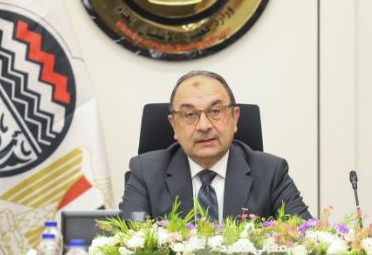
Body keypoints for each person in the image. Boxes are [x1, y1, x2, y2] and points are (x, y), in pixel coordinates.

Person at [119, 70, 311, 221]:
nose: (204, 126)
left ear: (235, 117)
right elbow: (129, 244)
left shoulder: (271, 173)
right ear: (174, 125)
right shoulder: (145, 173)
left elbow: (306, 238)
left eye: (215, 111)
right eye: (189, 115)